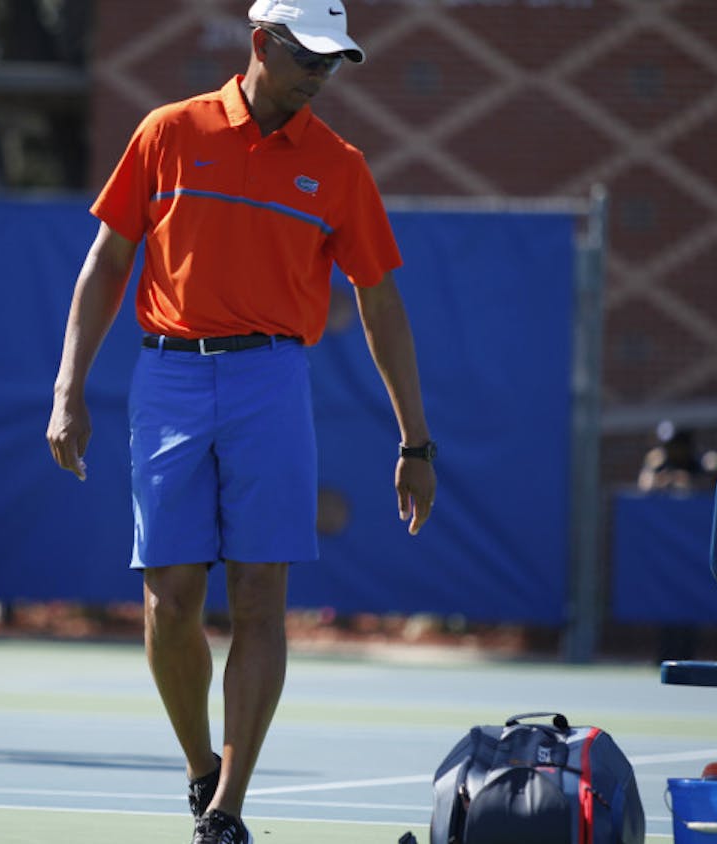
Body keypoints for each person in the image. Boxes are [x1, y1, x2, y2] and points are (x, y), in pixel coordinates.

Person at [46, 2, 436, 841]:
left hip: (272, 380)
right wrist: (68, 386)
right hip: (168, 380)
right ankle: (200, 769)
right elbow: (108, 260)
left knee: (261, 597)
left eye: (333, 64)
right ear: (263, 44)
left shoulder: (340, 166)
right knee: (171, 601)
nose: (322, 78)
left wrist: (415, 440)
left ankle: (227, 812)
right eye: (309, 60)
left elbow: (381, 302)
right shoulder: (167, 131)